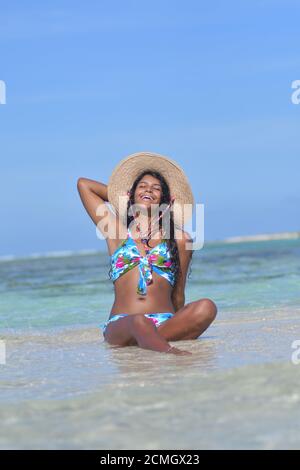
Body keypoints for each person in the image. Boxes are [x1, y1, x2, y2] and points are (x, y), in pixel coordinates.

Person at [77, 151, 217, 355]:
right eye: (142, 186)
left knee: (207, 307)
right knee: (139, 321)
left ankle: (151, 340)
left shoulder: (179, 240)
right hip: (124, 324)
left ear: (167, 201)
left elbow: (178, 293)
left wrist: (180, 320)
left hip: (164, 323)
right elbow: (84, 185)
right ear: (131, 195)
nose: (148, 190)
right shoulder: (117, 234)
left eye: (156, 189)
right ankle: (170, 352)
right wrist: (126, 200)